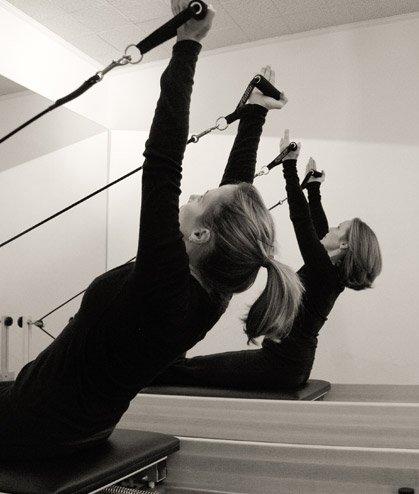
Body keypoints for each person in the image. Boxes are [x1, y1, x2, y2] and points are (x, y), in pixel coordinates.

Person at [0, 1, 303, 459]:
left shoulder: (167, 289)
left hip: (30, 425)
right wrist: (255, 112)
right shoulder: (213, 290)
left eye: (200, 198)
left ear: (201, 235)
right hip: (80, 425)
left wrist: (188, 44)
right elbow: (235, 194)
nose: (192, 195)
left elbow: (163, 160)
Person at [151, 130, 383, 390]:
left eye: (339, 228)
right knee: (185, 369)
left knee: (182, 371)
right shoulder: (328, 274)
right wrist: (314, 188)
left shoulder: (325, 274)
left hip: (280, 366)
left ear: (344, 244)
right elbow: (317, 229)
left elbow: (303, 222)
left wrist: (289, 166)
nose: (331, 228)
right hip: (287, 365)